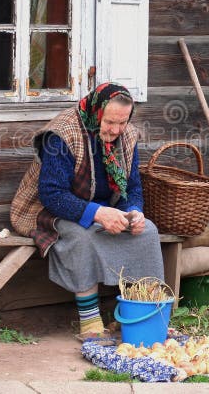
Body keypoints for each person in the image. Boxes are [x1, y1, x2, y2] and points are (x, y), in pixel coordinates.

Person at [10, 82, 164, 340]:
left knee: (147, 232)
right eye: (109, 123)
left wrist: (135, 212)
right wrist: (97, 213)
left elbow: (133, 188)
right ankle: (90, 320)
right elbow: (52, 194)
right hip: (51, 209)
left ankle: (141, 315)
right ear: (96, 111)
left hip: (104, 209)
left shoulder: (127, 136)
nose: (116, 130)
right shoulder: (61, 134)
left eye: (122, 123)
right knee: (82, 237)